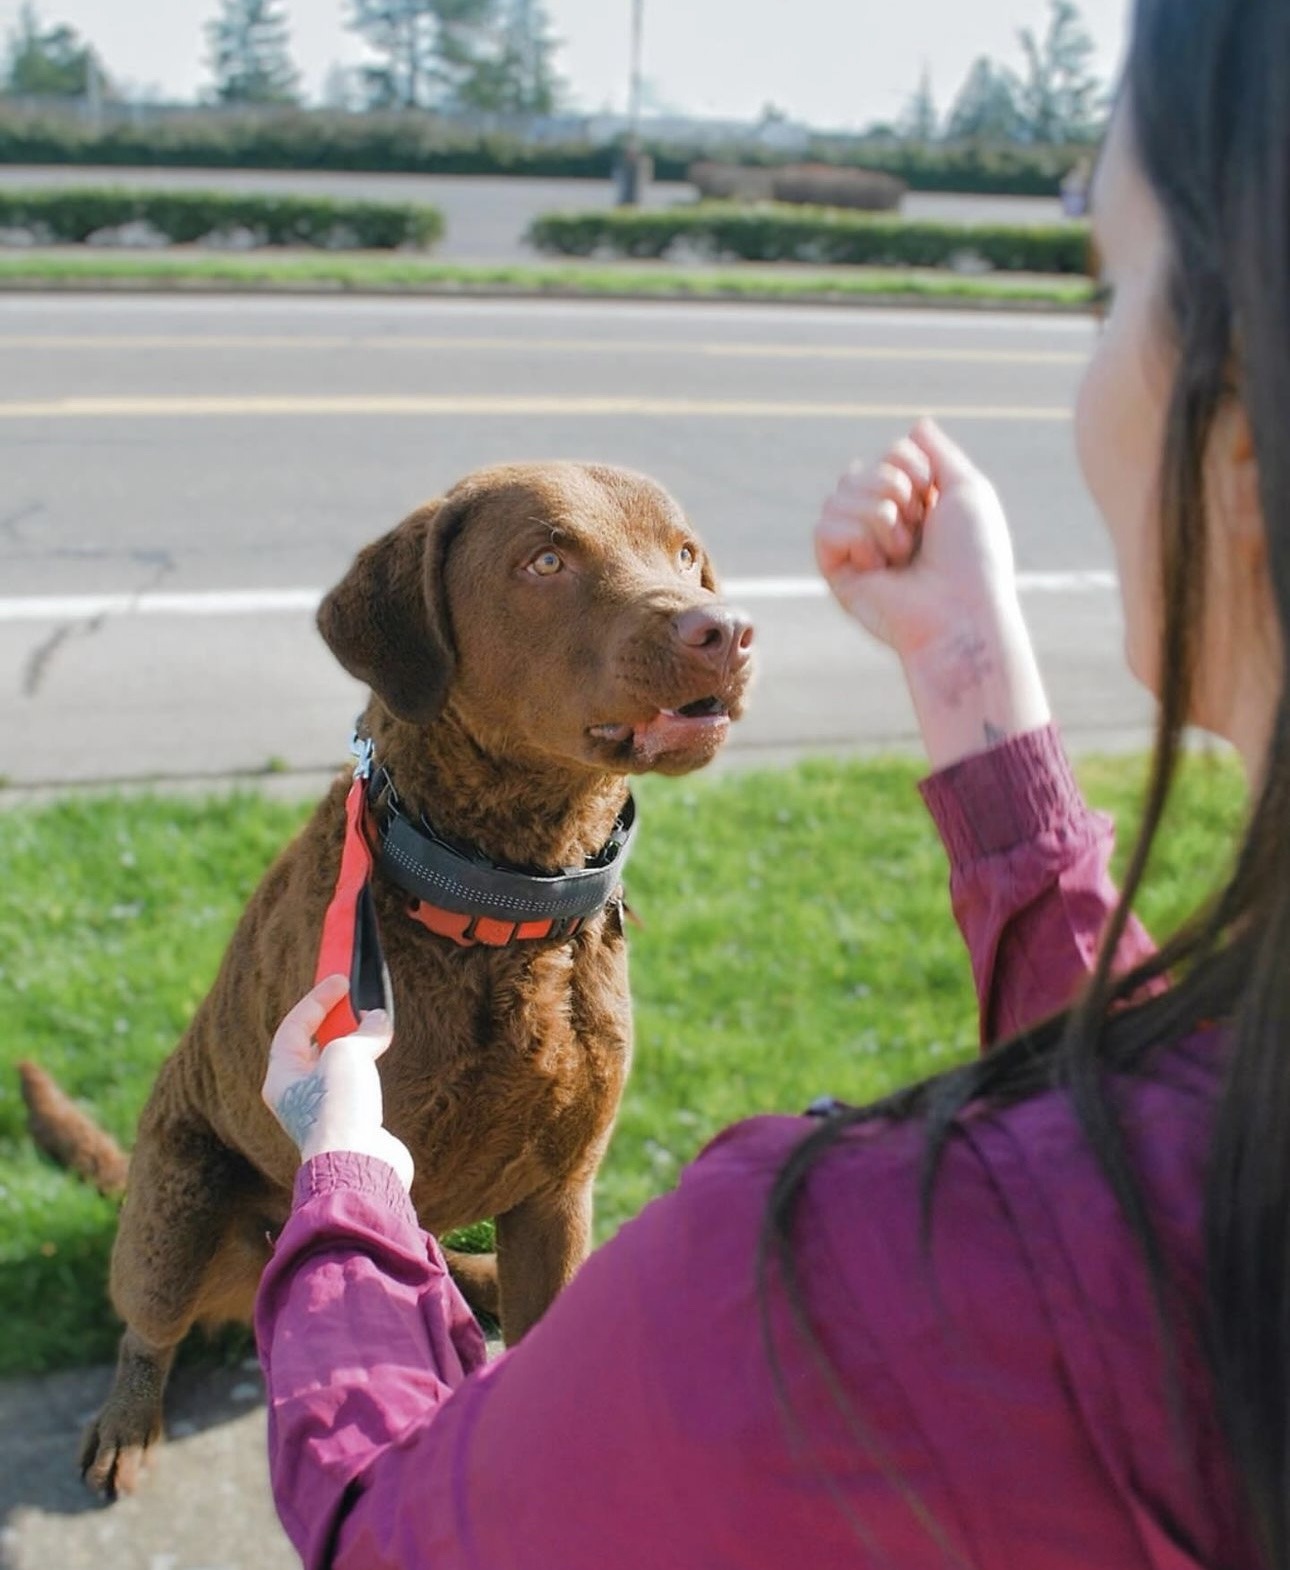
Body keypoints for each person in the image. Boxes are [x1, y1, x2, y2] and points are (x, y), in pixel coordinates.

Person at [254, 0, 1290, 1561]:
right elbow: (1163, 1150)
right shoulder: (1216, 1140)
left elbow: (388, 1523)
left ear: (1240, 446)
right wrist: (969, 680)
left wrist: (343, 1176)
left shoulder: (826, 1290)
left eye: (1107, 287)